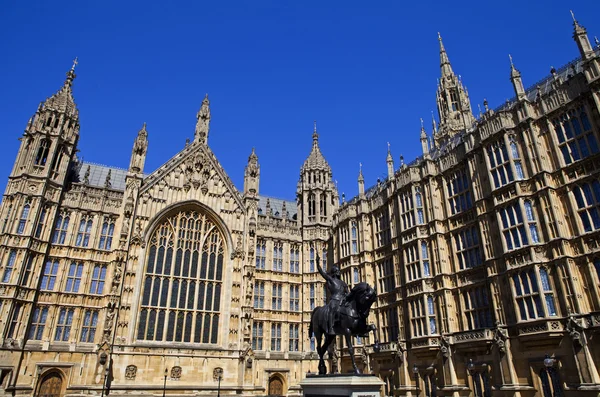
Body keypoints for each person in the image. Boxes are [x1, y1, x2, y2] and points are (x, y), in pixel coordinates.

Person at [316, 254, 349, 335]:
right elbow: (322, 273)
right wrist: (317, 263)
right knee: (332, 310)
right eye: (337, 271)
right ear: (334, 273)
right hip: (334, 299)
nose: (339, 272)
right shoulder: (331, 279)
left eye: (339, 271)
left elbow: (348, 293)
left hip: (343, 300)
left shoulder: (343, 283)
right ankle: (330, 328)